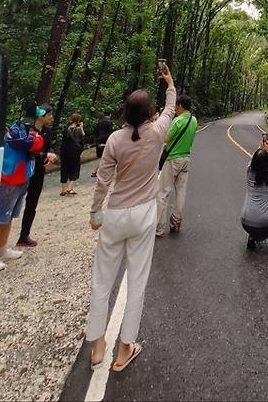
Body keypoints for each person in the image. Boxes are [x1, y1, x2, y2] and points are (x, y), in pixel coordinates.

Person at [86, 66, 177, 372]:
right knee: (136, 281)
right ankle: (125, 349)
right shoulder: (157, 132)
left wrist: (95, 214)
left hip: (115, 215)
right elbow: (170, 107)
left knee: (102, 280)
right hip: (144, 215)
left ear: (125, 112)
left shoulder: (113, 140)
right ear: (149, 111)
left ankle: (97, 346)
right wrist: (169, 81)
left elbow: (102, 181)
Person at [0, 112, 45, 273]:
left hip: (21, 179)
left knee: (9, 216)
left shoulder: (26, 132)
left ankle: (2, 249)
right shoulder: (15, 131)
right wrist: (36, 136)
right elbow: (33, 145)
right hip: (9, 180)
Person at [16, 102, 58, 247]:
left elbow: (48, 146)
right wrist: (45, 154)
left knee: (32, 203)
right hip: (23, 170)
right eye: (49, 114)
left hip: (39, 171)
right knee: (14, 201)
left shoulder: (47, 131)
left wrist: (50, 155)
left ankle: (24, 235)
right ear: (41, 116)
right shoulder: (26, 129)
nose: (51, 117)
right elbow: (28, 150)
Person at [155, 94, 197, 237]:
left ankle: (159, 228)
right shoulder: (194, 120)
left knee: (162, 193)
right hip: (186, 158)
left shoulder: (177, 121)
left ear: (180, 105)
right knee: (181, 192)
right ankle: (176, 222)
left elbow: (165, 139)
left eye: (176, 106)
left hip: (173, 159)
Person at [241, 135, 268, 250]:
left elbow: (253, 160)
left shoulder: (249, 172)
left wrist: (260, 148)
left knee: (255, 212)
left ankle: (251, 238)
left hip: (245, 222)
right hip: (265, 224)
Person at [60, 113, 85, 195]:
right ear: (78, 120)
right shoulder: (78, 129)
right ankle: (70, 188)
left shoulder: (66, 128)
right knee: (75, 169)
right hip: (74, 152)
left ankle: (63, 189)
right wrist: (81, 127)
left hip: (64, 152)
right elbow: (82, 137)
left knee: (64, 169)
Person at [91, 111, 114, 177]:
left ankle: (94, 172)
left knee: (99, 157)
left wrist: (96, 141)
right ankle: (107, 172)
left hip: (99, 141)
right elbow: (111, 131)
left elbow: (95, 132)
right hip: (107, 140)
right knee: (110, 156)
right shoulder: (109, 122)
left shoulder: (98, 123)